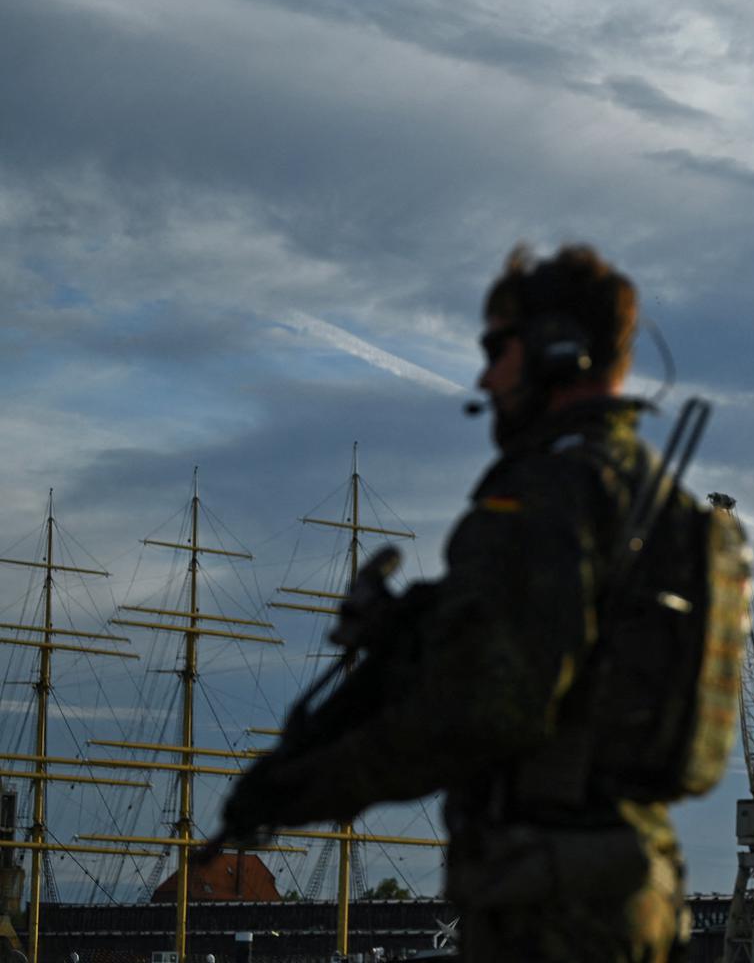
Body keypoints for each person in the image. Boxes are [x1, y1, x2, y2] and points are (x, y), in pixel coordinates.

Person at [220, 243, 715, 962]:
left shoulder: (546, 495)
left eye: (496, 349)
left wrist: (296, 788)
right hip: (635, 886)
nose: (485, 377)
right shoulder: (664, 503)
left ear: (556, 351)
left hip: (549, 904)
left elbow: (484, 710)